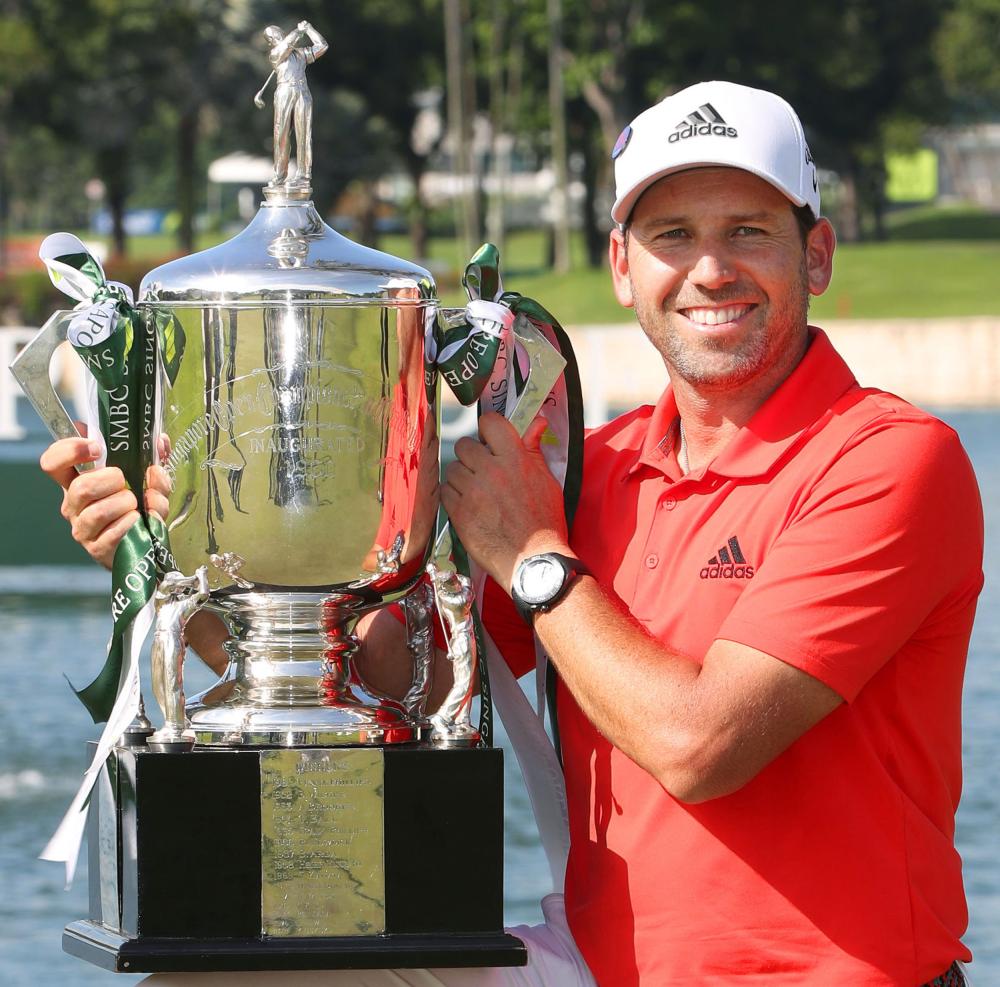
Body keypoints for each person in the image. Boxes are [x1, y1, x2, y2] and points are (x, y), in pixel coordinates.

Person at [42, 81, 982, 986]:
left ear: (815, 256)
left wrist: (534, 555)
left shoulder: (892, 459)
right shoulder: (588, 467)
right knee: (218, 976)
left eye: (749, 231)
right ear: (624, 267)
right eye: (673, 235)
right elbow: (388, 691)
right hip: (592, 968)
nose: (710, 269)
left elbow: (702, 745)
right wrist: (171, 559)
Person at [256, 21, 328, 190]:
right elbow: (287, 44)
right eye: (273, 35)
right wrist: (298, 31)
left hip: (302, 92)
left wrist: (309, 29)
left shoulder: (301, 54)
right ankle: (280, 175)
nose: (278, 35)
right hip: (284, 92)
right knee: (281, 135)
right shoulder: (275, 54)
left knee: (304, 135)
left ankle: (303, 175)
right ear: (271, 41)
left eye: (279, 32)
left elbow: (322, 46)